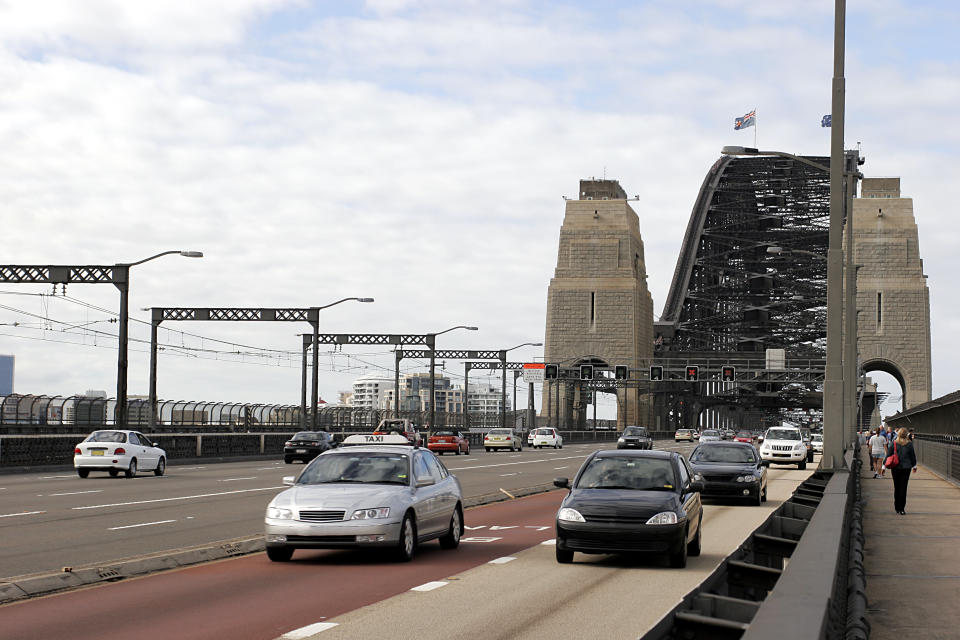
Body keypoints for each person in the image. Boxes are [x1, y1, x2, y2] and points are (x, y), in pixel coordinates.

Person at [889, 427, 918, 514]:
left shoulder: (894, 443)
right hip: (906, 468)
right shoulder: (909, 444)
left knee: (896, 487)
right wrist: (914, 466)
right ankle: (902, 508)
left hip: (895, 468)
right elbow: (912, 456)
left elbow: (889, 455)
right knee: (903, 488)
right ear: (906, 435)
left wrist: (883, 466)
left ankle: (897, 507)